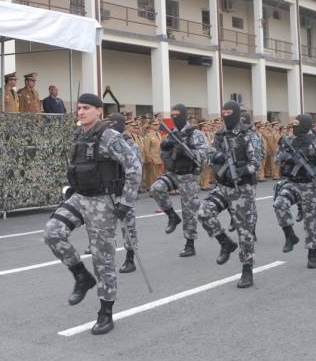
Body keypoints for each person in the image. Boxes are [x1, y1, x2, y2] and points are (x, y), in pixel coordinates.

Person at [43, 93, 142, 335]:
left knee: (103, 258)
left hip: (102, 201)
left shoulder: (110, 136)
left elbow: (134, 165)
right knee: (52, 233)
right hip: (80, 197)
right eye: (78, 108)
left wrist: (126, 201)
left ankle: (106, 312)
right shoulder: (79, 135)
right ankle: (81, 276)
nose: (81, 112)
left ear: (99, 111)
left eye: (86, 108)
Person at [196, 100, 264, 289]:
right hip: (222, 187)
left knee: (245, 232)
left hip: (242, 189)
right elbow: (209, 155)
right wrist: (216, 157)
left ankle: (247, 269)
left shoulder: (249, 134)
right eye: (223, 111)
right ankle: (225, 242)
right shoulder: (219, 133)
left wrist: (243, 170)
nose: (226, 114)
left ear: (235, 112)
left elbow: (257, 160)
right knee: (204, 212)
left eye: (229, 111)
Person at [150, 104, 208, 258]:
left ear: (184, 115)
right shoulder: (171, 133)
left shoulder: (195, 133)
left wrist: (189, 152)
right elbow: (163, 155)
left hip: (189, 176)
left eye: (177, 115)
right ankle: (172, 216)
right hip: (174, 173)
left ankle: (190, 244)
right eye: (172, 115)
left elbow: (205, 156)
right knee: (156, 188)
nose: (175, 117)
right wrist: (165, 146)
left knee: (189, 211)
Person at [273, 114, 316, 268]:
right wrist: (288, 157)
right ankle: (290, 235)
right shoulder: (289, 140)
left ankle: (312, 253)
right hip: (292, 183)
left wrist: (314, 168)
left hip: (310, 185)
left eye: (297, 124)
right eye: (293, 124)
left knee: (311, 223)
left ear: (305, 125)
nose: (293, 127)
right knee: (279, 204)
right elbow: (276, 159)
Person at [108, 113, 143, 274]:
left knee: (128, 225)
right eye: (110, 123)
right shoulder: (105, 141)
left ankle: (130, 258)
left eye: (115, 123)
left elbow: (136, 164)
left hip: (124, 188)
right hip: (108, 188)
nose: (112, 126)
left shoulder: (128, 143)